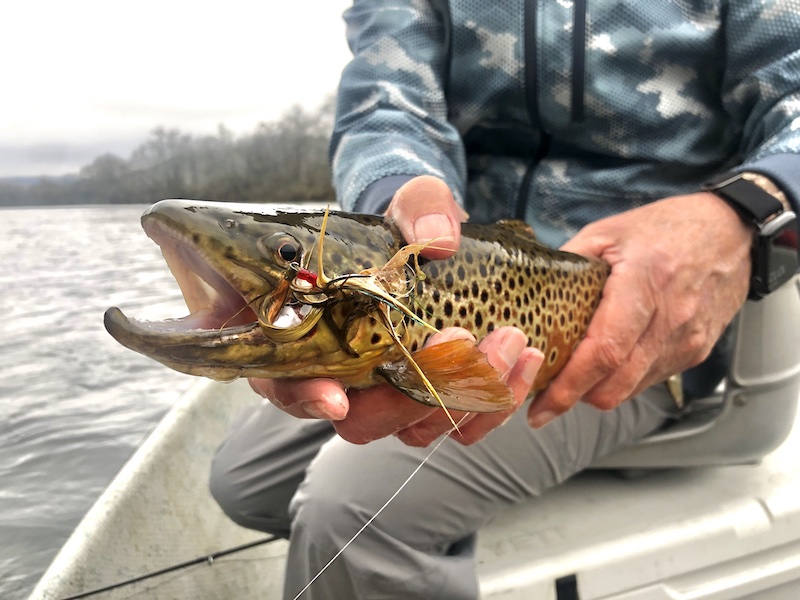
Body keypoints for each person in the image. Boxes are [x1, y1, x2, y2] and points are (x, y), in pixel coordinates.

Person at [210, 2, 800, 598]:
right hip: (441, 286)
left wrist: (751, 205)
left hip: (645, 316)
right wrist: (399, 189)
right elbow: (386, 103)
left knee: (348, 513)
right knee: (245, 483)